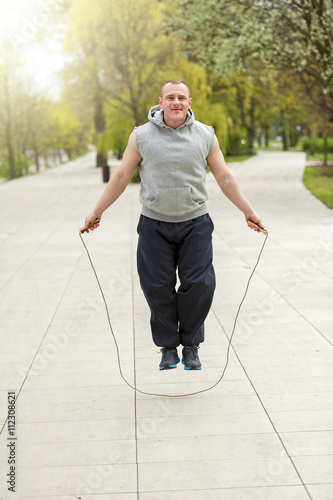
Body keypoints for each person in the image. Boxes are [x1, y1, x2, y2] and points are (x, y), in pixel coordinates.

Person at [82, 79, 265, 371]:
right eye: (171, 97)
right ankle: (168, 348)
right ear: (161, 101)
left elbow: (225, 177)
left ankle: (191, 345)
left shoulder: (206, 135)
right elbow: (119, 177)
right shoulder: (141, 136)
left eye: (182, 97)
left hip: (196, 223)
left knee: (200, 285)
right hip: (154, 224)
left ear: (190, 102)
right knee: (157, 287)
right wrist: (97, 211)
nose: (176, 102)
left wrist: (249, 211)